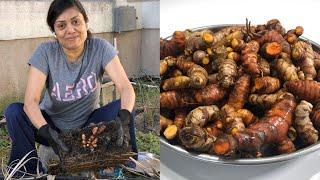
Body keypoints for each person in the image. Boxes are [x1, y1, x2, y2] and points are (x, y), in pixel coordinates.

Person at [4, 0, 136, 176]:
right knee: (14, 111)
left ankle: (128, 161)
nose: (70, 30)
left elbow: (125, 87)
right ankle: (26, 171)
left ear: (85, 22)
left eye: (76, 22)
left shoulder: (100, 48)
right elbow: (31, 101)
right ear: (54, 31)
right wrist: (48, 133)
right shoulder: (46, 52)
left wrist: (124, 117)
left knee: (127, 106)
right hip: (52, 128)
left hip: (90, 126)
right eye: (61, 25)